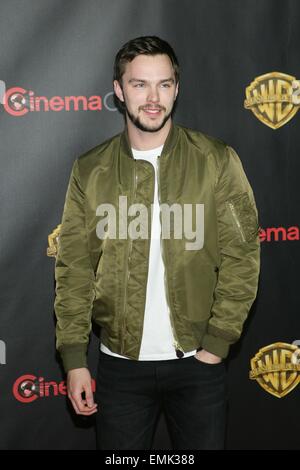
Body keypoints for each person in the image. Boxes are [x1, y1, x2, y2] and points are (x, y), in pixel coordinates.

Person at [54, 36, 260, 450]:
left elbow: (243, 257)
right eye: (139, 84)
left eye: (164, 84)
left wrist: (216, 347)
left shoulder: (216, 160)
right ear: (118, 90)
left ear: (177, 89)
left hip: (198, 365)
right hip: (119, 368)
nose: (153, 98)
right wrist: (75, 360)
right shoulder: (91, 169)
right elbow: (74, 268)